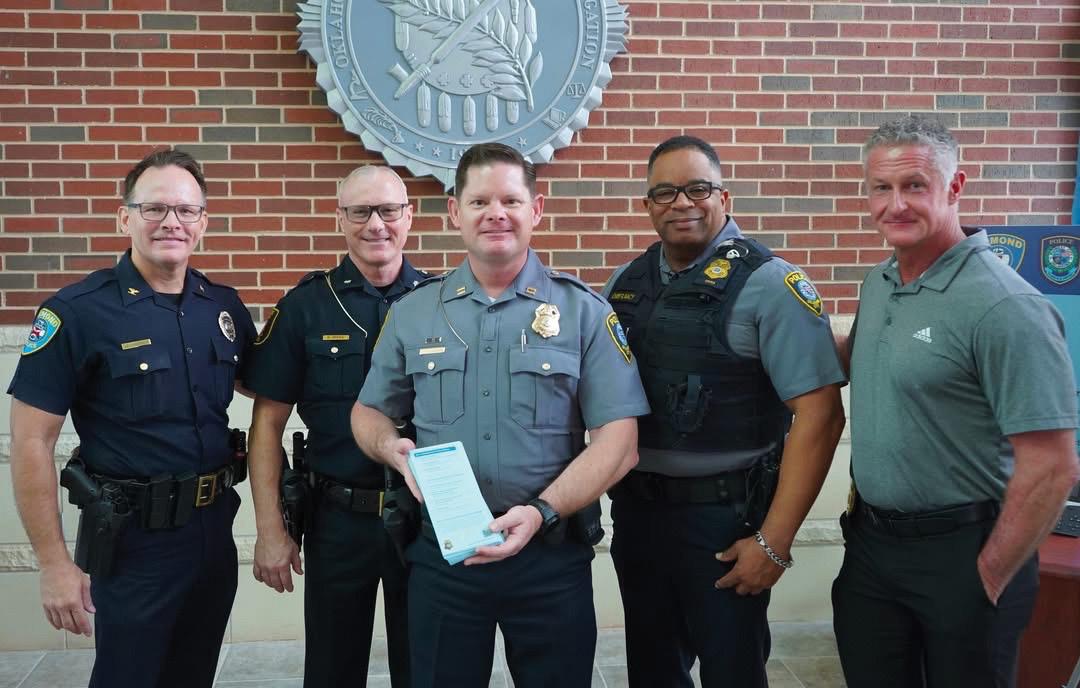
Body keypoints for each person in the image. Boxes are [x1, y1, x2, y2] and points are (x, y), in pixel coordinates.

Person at [351, 142, 650, 688]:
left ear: (536, 210)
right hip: (446, 557)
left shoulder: (583, 312)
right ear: (454, 212)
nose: (496, 213)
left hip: (550, 557)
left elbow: (620, 442)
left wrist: (540, 512)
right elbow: (369, 411)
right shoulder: (414, 312)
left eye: (511, 200)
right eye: (479, 201)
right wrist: (389, 448)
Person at [832, 116, 1080, 687]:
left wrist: (989, 574)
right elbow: (867, 360)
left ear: (955, 186)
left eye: (915, 185)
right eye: (881, 187)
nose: (896, 204)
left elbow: (1053, 465)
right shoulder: (880, 282)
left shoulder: (1005, 307)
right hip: (872, 549)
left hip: (964, 553)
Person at [602, 135, 847, 688]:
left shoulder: (770, 284)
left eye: (698, 189)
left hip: (725, 521)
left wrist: (774, 543)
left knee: (732, 671)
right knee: (653, 672)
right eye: (664, 192)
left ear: (724, 197)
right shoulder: (624, 284)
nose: (681, 203)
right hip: (639, 517)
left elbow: (822, 416)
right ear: (647, 205)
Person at [7, 149, 255, 688]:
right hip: (133, 541)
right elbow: (30, 442)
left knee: (193, 675)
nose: (172, 222)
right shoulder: (75, 313)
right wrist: (53, 563)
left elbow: (269, 389)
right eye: (154, 208)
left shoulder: (223, 308)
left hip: (213, 531)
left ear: (203, 222)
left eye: (186, 210)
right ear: (125, 218)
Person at [244, 165, 427, 687]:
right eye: (360, 211)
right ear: (340, 218)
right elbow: (267, 425)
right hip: (338, 518)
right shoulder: (305, 307)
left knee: (427, 666)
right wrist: (270, 531)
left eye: (388, 210)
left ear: (408, 216)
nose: (376, 224)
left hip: (424, 516)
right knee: (331, 668)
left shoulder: (441, 302)